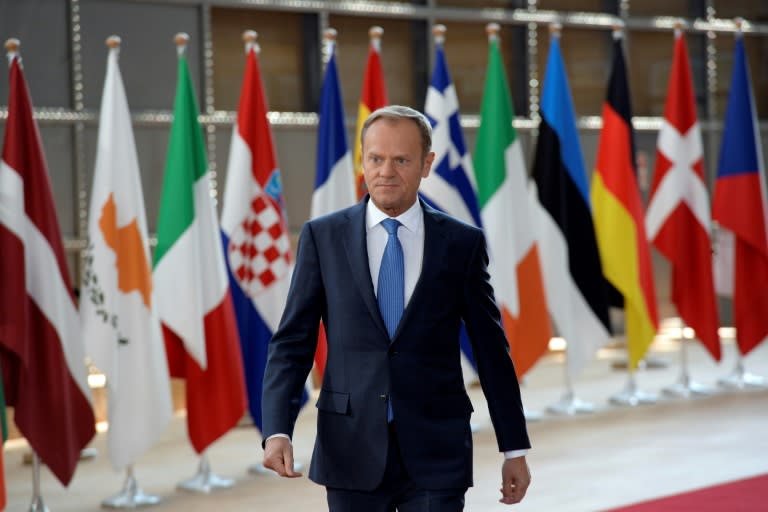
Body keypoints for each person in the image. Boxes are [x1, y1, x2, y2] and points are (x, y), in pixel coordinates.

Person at [261, 105, 531, 511]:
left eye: (401, 160)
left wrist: (514, 448)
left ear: (427, 164)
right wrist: (277, 430)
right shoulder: (323, 237)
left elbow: (491, 351)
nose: (386, 171)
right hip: (350, 449)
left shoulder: (461, 245)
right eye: (376, 158)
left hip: (437, 450)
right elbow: (292, 342)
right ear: (362, 161)